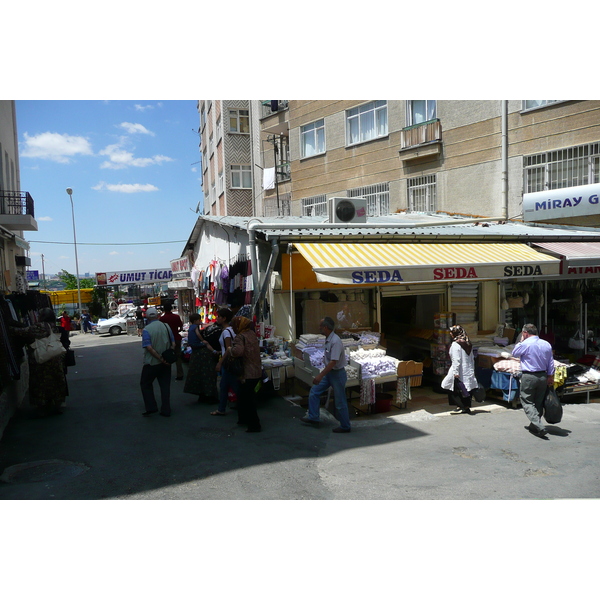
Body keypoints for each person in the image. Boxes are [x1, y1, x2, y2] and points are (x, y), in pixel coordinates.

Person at [9, 307, 68, 417]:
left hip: (41, 360)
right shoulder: (54, 326)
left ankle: (42, 407)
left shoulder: (38, 327)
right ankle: (56, 404)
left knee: (40, 383)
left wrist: (8, 327)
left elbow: (21, 332)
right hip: (55, 358)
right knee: (55, 381)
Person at [301, 316, 352, 433]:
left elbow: (333, 362)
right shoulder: (328, 339)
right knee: (315, 391)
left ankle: (345, 426)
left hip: (337, 374)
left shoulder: (335, 341)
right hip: (330, 374)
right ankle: (313, 417)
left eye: (320, 326)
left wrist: (320, 375)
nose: (319, 328)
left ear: (325, 327)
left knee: (340, 402)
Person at [511, 323, 555, 438]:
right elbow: (551, 362)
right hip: (542, 376)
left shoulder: (525, 344)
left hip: (529, 376)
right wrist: (550, 376)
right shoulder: (546, 344)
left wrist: (520, 341)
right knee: (538, 402)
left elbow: (514, 353)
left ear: (525, 333)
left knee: (527, 401)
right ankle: (534, 425)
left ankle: (539, 426)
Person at [220, 316, 262, 432]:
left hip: (246, 372)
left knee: (246, 398)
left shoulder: (240, 337)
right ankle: (243, 419)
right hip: (256, 370)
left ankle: (254, 424)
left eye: (234, 325)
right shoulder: (251, 334)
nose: (233, 328)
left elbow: (237, 351)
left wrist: (229, 349)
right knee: (245, 397)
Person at [140, 306, 175, 417]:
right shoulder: (166, 326)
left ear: (147, 317)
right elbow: (173, 343)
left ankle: (151, 407)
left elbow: (149, 347)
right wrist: (166, 357)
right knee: (165, 386)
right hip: (166, 363)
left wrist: (160, 358)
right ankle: (166, 409)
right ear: (158, 316)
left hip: (151, 363)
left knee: (145, 383)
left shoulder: (146, 330)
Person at [183, 313, 221, 403]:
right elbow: (199, 336)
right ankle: (209, 395)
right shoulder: (196, 328)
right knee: (208, 375)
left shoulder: (192, 328)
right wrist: (203, 341)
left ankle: (202, 394)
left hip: (196, 354)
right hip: (203, 353)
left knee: (199, 374)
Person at [441, 325, 479, 414]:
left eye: (451, 332)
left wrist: (456, 372)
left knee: (457, 389)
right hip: (467, 370)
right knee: (467, 388)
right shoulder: (467, 343)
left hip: (459, 370)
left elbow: (456, 359)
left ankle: (462, 406)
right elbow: (472, 358)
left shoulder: (456, 344)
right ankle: (466, 406)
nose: (450, 334)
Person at [211, 307, 237, 416]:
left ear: (224, 318)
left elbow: (228, 348)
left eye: (219, 317)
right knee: (224, 385)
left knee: (232, 386)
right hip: (229, 362)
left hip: (227, 362)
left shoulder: (226, 332)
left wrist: (220, 362)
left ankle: (244, 405)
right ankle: (221, 408)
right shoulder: (231, 330)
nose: (217, 318)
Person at [160, 300, 184, 380]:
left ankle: (167, 374)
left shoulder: (162, 319)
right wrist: (177, 331)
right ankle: (180, 374)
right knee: (178, 357)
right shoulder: (176, 317)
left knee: (167, 357)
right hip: (176, 338)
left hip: (167, 340)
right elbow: (181, 327)